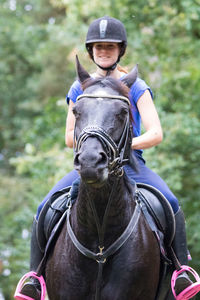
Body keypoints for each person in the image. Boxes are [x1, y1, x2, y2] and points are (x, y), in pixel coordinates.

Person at [16, 16, 200, 300]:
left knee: (170, 201)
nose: (104, 51)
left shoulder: (135, 87)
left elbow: (156, 133)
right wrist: (93, 145)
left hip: (131, 165)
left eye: (110, 46)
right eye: (98, 46)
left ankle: (180, 272)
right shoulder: (80, 88)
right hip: (91, 162)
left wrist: (123, 147)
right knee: (46, 206)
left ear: (120, 50)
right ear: (91, 51)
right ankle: (35, 276)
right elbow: (68, 136)